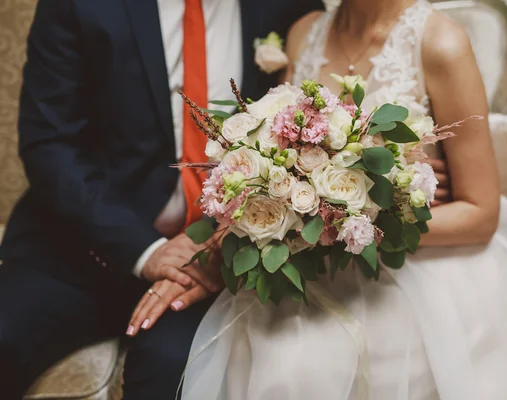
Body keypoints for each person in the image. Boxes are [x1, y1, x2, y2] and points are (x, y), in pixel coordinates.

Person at [128, 0, 507, 398]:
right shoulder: (303, 33)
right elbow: (287, 156)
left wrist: (349, 221)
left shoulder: (440, 42)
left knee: (304, 367)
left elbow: (481, 213)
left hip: (413, 267)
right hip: (313, 260)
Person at [0, 0, 326, 398]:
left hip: (210, 264)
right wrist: (146, 251)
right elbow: (50, 145)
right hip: (76, 249)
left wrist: (221, 245)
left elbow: (308, 139)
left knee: (173, 368)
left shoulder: (286, 7)